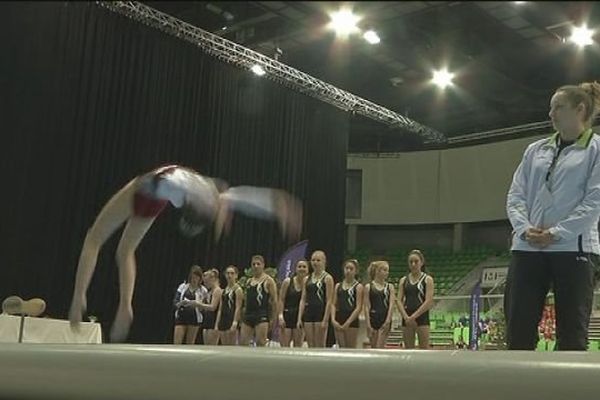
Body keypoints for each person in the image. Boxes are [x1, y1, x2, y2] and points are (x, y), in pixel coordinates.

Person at [68, 164, 302, 342]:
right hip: (159, 196)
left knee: (94, 238)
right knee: (125, 250)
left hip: (149, 187)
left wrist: (274, 203)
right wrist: (275, 204)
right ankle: (125, 305)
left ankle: (80, 296)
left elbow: (182, 181)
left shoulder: (201, 192)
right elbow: (243, 198)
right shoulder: (214, 196)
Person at [505, 81, 600, 350]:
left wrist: (557, 233)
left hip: (573, 248)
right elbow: (516, 195)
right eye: (550, 108)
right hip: (527, 247)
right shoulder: (535, 150)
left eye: (558, 107)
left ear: (579, 109)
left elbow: (595, 200)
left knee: (572, 333)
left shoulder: (596, 150)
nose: (551, 114)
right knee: (518, 328)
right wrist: (524, 228)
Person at [396, 250, 434, 350]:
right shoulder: (403, 280)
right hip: (407, 317)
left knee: (424, 349)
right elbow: (398, 300)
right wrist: (406, 317)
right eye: (411, 262)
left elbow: (428, 301)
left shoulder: (427, 279)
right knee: (408, 349)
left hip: (422, 317)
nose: (413, 264)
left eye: (416, 261)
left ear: (421, 262)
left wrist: (413, 317)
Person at [297, 250, 334, 348]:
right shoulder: (306, 279)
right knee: (310, 344)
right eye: (313, 260)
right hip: (309, 312)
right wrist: (299, 317)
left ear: (324, 262)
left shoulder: (327, 278)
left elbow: (329, 300)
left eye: (318, 260)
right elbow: (303, 299)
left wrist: (325, 319)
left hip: (320, 313)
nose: (315, 262)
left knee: (320, 345)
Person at [240, 255, 278, 347]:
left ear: (263, 265)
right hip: (248, 314)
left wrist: (273, 319)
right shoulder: (249, 281)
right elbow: (246, 300)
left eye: (258, 264)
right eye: (253, 264)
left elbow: (274, 301)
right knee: (243, 343)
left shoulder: (268, 281)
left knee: (261, 342)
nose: (256, 266)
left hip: (261, 315)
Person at [331, 259, 363, 348]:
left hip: (351, 319)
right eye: (346, 268)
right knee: (341, 347)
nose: (348, 271)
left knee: (350, 348)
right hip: (339, 318)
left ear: (356, 271)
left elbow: (358, 307)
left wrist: (348, 322)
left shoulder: (358, 287)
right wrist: (333, 320)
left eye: (351, 269)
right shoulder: (338, 286)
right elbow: (333, 304)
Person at [172, 265, 208, 344]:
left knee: (190, 343)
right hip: (182, 315)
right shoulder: (183, 287)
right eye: (193, 277)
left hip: (194, 318)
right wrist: (181, 303)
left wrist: (198, 304)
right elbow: (175, 302)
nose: (194, 279)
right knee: (177, 342)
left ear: (200, 278)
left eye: (197, 277)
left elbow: (205, 307)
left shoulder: (203, 290)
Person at [277, 259, 309, 347]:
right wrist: (280, 315)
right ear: (295, 269)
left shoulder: (309, 284)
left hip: (300, 317)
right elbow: (281, 299)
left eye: (304, 267)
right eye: (299, 267)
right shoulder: (287, 282)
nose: (301, 269)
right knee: (284, 346)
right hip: (287, 315)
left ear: (308, 270)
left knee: (298, 346)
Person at [363, 261, 395, 349]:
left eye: (387, 270)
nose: (387, 273)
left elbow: (391, 305)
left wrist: (388, 320)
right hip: (373, 318)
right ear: (377, 271)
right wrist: (368, 324)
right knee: (374, 347)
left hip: (384, 318)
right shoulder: (368, 287)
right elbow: (366, 306)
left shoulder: (390, 287)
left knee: (381, 347)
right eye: (384, 270)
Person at [216, 265, 243, 345]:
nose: (229, 275)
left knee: (231, 346)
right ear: (225, 275)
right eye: (227, 273)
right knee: (224, 345)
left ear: (236, 275)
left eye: (232, 273)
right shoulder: (224, 291)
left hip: (231, 319)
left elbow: (238, 307)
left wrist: (235, 322)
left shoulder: (238, 290)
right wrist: (217, 323)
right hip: (223, 319)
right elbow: (220, 308)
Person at [198, 269, 222, 345]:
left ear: (213, 279)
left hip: (213, 321)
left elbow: (213, 307)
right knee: (206, 346)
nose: (205, 284)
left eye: (207, 282)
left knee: (212, 346)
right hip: (207, 320)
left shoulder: (217, 290)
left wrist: (198, 304)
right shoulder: (209, 291)